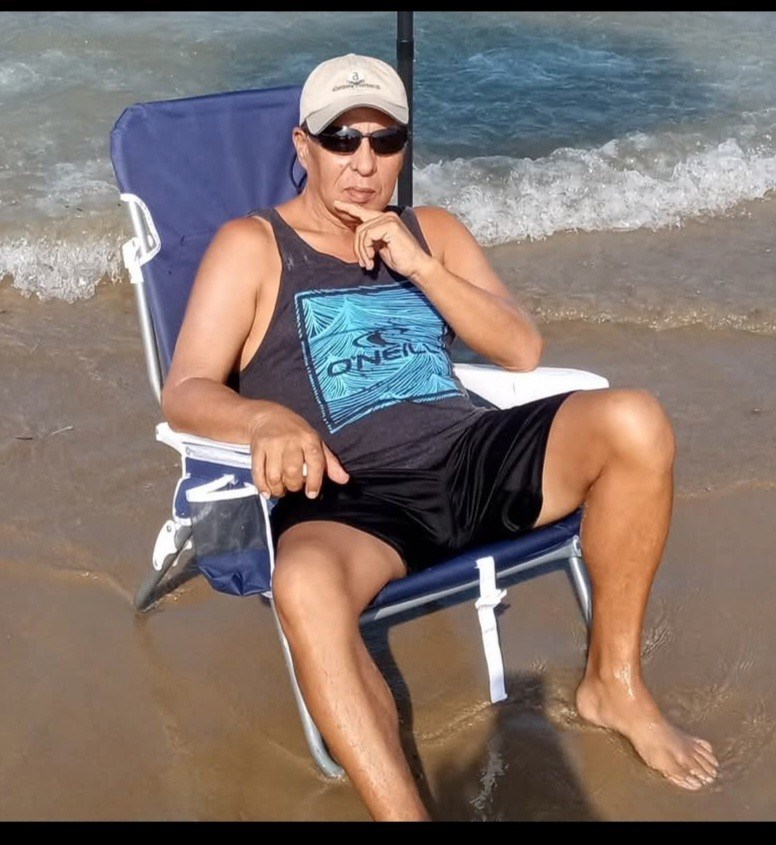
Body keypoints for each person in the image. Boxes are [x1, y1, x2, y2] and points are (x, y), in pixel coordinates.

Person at [160, 53, 719, 821]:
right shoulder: (253, 245)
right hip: (353, 492)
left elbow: (520, 348)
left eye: (385, 141)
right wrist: (263, 418)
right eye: (341, 139)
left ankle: (614, 686)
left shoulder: (435, 231)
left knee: (636, 419)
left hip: (468, 458)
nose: (364, 162)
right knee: (304, 583)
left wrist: (421, 266)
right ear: (303, 146)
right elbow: (187, 389)